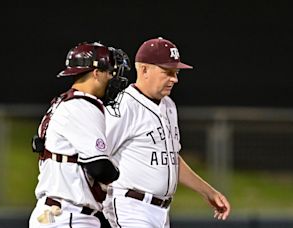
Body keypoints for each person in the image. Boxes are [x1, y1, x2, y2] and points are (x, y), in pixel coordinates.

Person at [102, 37, 230, 228]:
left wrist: (208, 192)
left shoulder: (169, 105)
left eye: (176, 73)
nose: (174, 79)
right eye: (167, 72)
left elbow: (171, 158)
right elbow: (94, 156)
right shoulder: (123, 106)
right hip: (130, 207)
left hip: (161, 212)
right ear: (144, 69)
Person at [29, 41, 130, 228]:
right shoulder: (83, 106)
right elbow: (99, 167)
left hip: (52, 213)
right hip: (68, 215)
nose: (113, 78)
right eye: (110, 72)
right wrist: (118, 172)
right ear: (96, 73)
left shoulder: (63, 102)